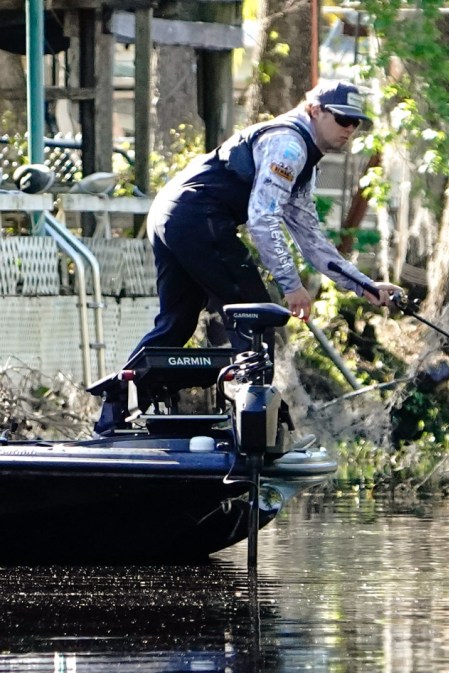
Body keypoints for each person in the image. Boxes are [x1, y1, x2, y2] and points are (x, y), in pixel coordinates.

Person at [94, 80, 403, 435]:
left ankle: (114, 414)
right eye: (342, 119)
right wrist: (291, 285)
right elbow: (262, 218)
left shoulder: (303, 158)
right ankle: (252, 431)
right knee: (257, 319)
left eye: (356, 123)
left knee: (175, 324)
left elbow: (310, 238)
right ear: (315, 110)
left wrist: (365, 286)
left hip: (170, 214)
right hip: (196, 216)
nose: (349, 129)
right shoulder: (289, 146)